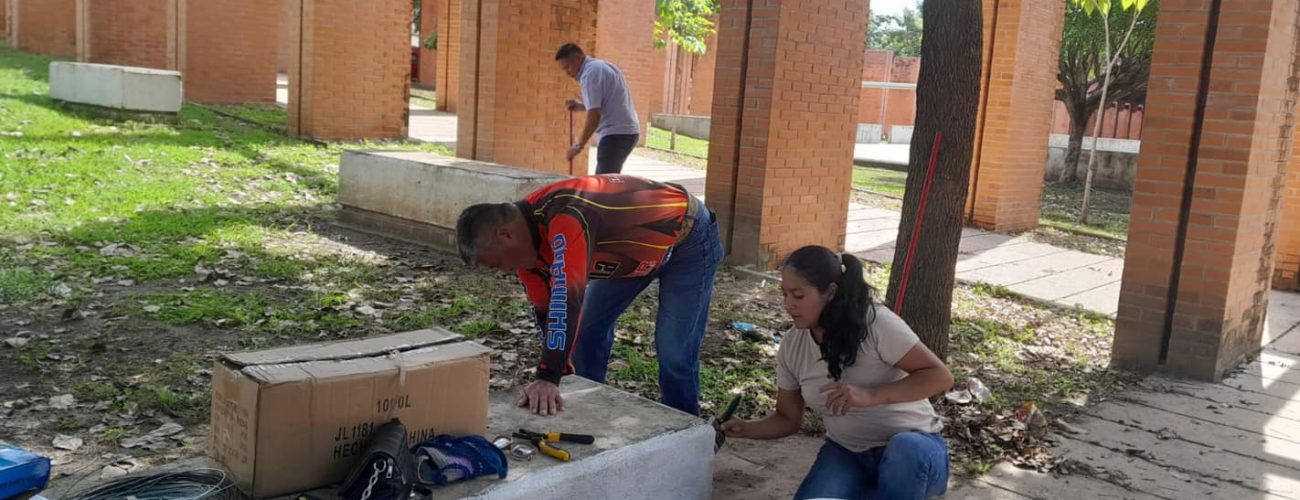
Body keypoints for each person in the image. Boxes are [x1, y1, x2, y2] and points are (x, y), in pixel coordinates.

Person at [456, 174, 723, 416]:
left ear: (506, 235)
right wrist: (557, 371)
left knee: (674, 351)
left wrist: (547, 377)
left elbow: (567, 298)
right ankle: (588, 411)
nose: (505, 270)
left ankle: (686, 432)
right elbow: (548, 315)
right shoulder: (528, 254)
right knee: (585, 333)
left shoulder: (566, 215)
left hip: (688, 239)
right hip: (631, 256)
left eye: (497, 263)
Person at [722, 245, 953, 500]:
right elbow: (788, 417)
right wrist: (745, 429)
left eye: (798, 296)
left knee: (906, 449)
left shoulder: (876, 324)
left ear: (830, 292)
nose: (788, 305)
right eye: (784, 294)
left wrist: (871, 396)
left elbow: (940, 376)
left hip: (916, 452)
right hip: (847, 454)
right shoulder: (792, 345)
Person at [555, 43, 640, 174]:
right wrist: (581, 106)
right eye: (564, 69)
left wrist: (578, 146)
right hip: (626, 132)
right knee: (607, 181)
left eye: (567, 67)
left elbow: (594, 115)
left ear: (578, 58)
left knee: (603, 185)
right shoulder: (600, 66)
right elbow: (605, 101)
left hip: (615, 135)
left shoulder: (590, 74)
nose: (567, 72)